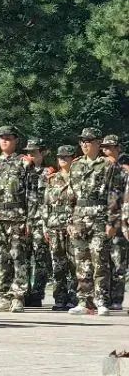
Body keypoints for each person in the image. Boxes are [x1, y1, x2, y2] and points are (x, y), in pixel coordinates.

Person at [67, 128, 121, 316]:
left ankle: (101, 301)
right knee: (81, 262)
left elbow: (114, 195)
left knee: (100, 261)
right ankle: (84, 301)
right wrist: (69, 221)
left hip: (99, 217)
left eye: (88, 141)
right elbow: (71, 196)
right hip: (79, 218)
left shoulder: (108, 165)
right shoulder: (75, 165)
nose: (84, 144)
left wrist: (112, 222)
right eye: (82, 141)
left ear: (98, 143)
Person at [0, 125, 32, 312]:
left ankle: (18, 297)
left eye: (8, 138)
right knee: (2, 258)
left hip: (17, 218)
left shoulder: (24, 163)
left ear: (15, 141)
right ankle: (4, 297)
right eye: (2, 138)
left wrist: (29, 220)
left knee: (18, 258)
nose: (4, 141)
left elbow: (31, 194)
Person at [44, 146, 76, 311]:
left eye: (66, 157)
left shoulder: (77, 178)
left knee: (74, 264)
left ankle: (74, 298)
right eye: (60, 157)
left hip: (72, 226)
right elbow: (46, 205)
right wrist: (45, 227)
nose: (63, 159)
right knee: (58, 264)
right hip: (55, 226)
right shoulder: (52, 179)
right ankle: (60, 298)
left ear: (73, 158)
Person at [23, 138, 52, 307]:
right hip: (24, 220)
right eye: (28, 152)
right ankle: (25, 292)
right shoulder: (22, 171)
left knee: (41, 258)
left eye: (34, 151)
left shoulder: (49, 172)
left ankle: (37, 294)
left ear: (43, 152)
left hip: (41, 221)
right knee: (24, 259)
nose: (30, 155)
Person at [100, 135, 125, 310]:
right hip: (100, 218)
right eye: (104, 147)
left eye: (110, 147)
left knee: (118, 260)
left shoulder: (124, 169)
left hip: (119, 220)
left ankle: (116, 298)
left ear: (118, 148)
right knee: (102, 260)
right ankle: (103, 296)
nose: (106, 150)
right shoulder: (100, 168)